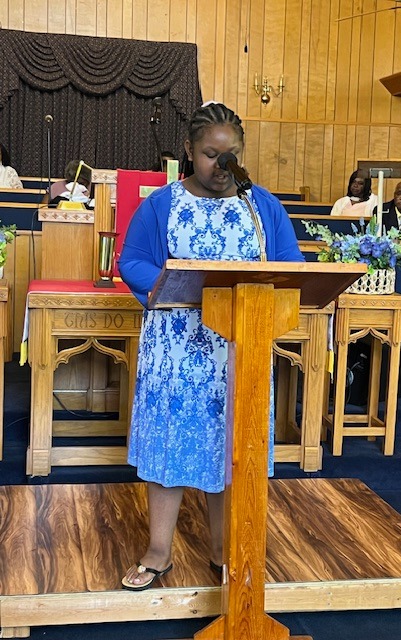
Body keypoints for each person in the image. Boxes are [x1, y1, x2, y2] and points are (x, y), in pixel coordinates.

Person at [119, 102, 304, 591]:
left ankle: (224, 551)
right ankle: (159, 552)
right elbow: (132, 262)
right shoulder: (162, 205)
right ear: (188, 150)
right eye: (209, 154)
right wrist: (180, 285)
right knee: (170, 445)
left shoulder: (261, 206)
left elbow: (291, 264)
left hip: (237, 351)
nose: (222, 166)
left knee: (230, 450)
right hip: (176, 350)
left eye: (231, 155)